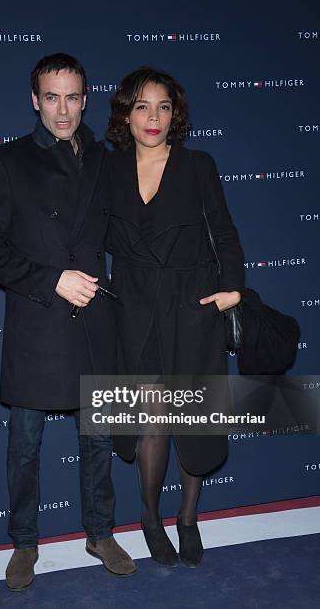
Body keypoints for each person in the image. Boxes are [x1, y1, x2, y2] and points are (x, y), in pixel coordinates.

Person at [0, 53, 136, 590]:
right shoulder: (6, 161)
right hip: (38, 320)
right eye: (51, 97)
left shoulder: (110, 161)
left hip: (95, 323)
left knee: (99, 441)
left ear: (85, 99)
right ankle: (23, 541)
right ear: (34, 100)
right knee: (24, 445)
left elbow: (127, 239)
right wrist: (51, 279)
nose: (63, 110)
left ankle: (100, 532)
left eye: (72, 97)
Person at [105, 67, 244, 567]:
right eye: (142, 106)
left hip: (192, 303)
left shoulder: (198, 165)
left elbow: (224, 233)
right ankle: (149, 515)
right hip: (135, 306)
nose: (153, 117)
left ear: (175, 114)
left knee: (195, 417)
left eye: (163, 106)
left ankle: (188, 516)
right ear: (126, 112)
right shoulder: (109, 169)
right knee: (153, 420)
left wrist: (232, 289)